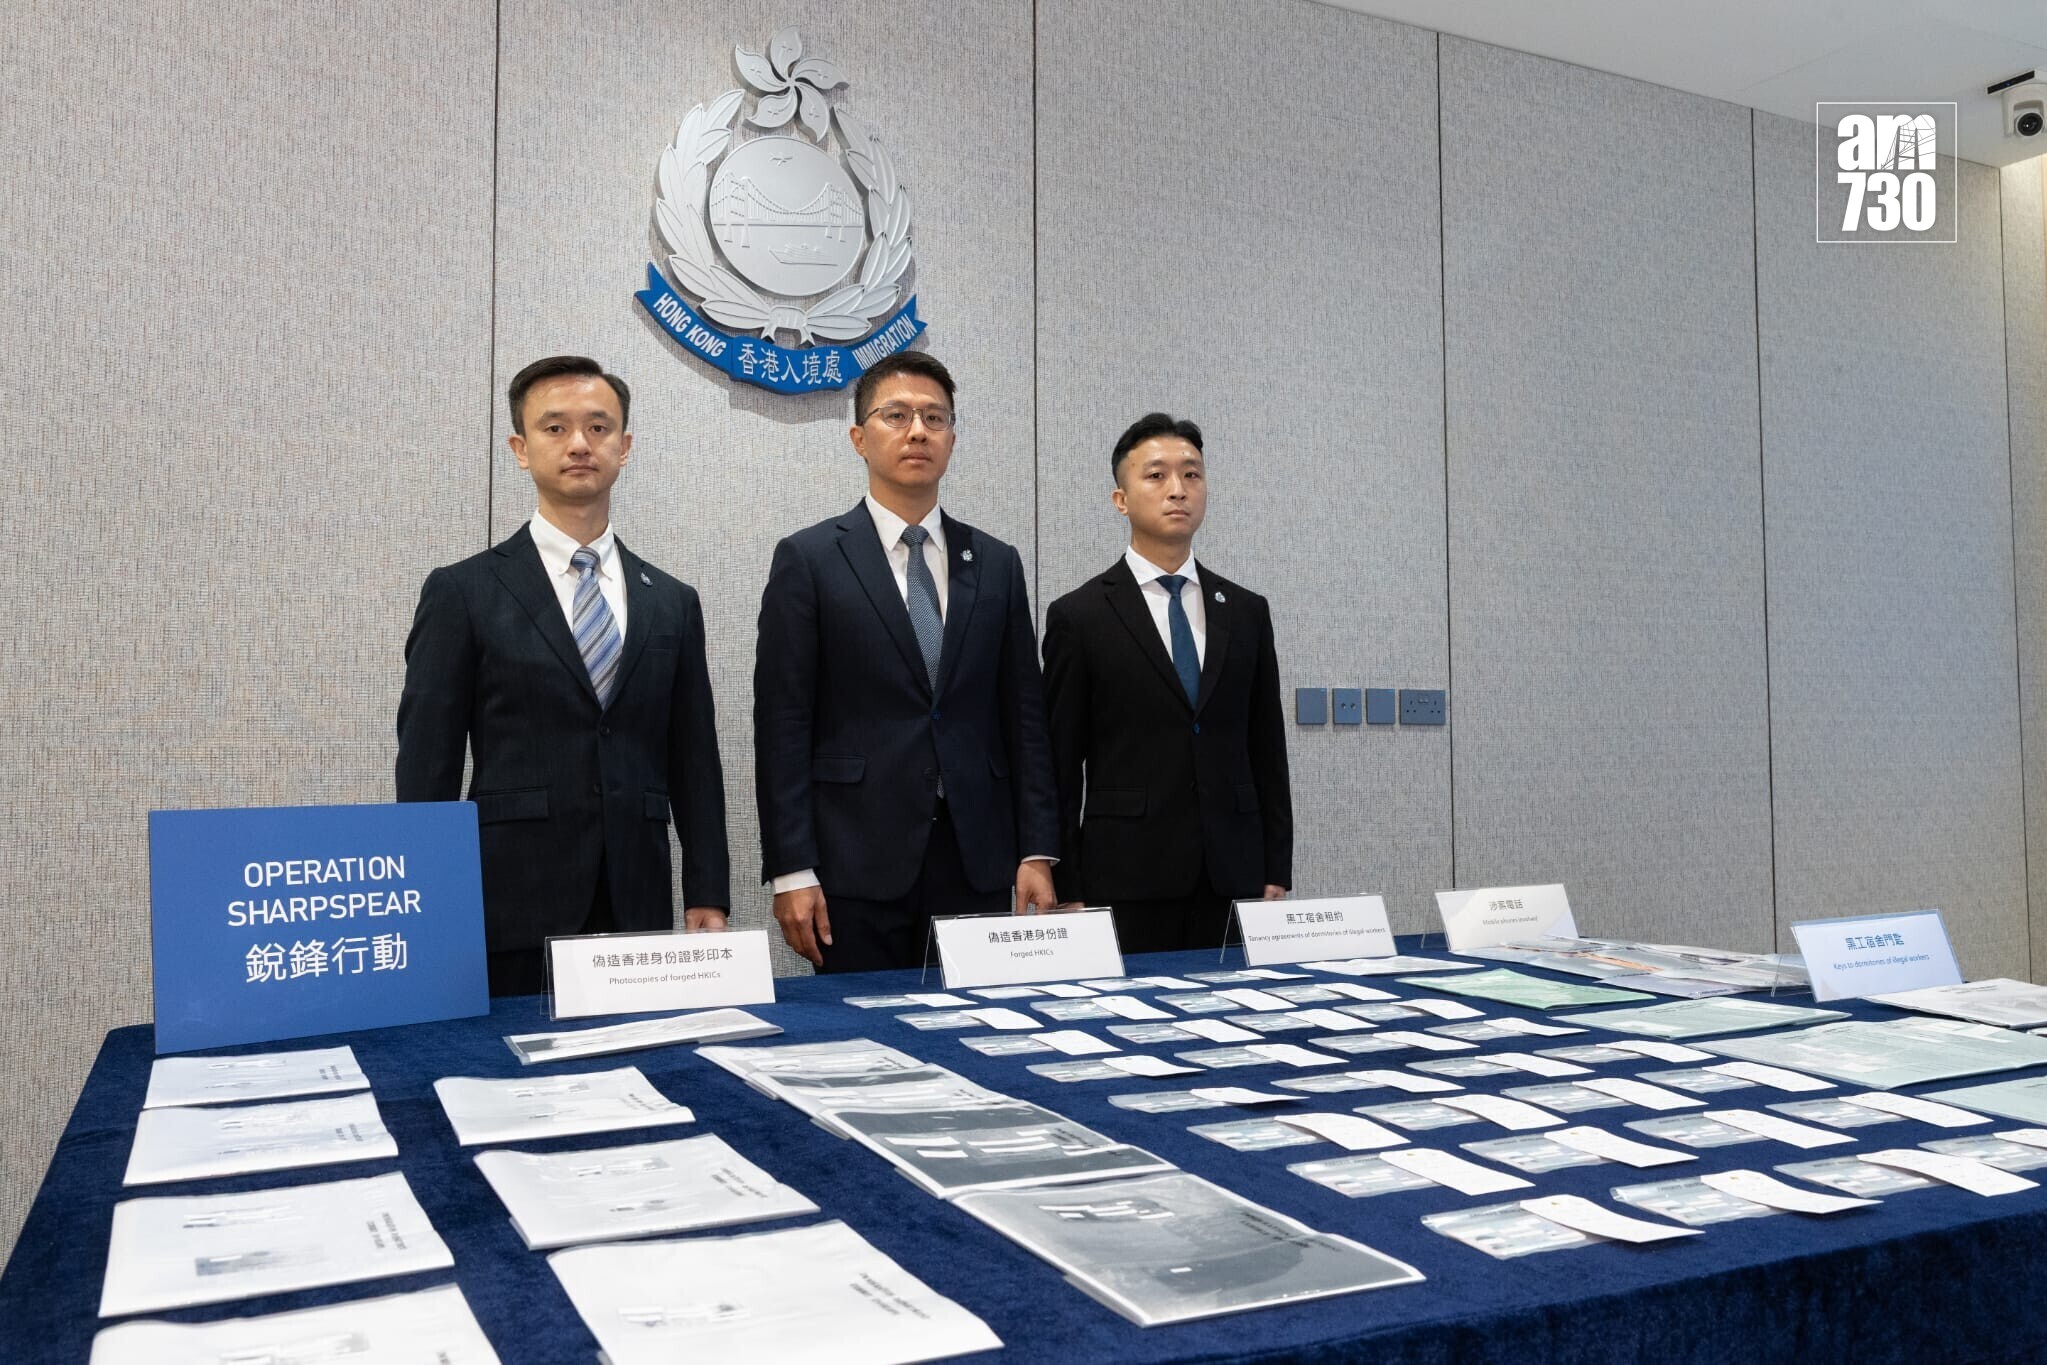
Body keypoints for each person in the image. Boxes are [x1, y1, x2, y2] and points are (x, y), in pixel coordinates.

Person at [396, 356, 729, 995]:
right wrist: (427, 898)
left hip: (636, 901)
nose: (580, 443)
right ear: (521, 449)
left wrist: (707, 889)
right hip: (510, 901)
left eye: (599, 427)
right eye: (555, 428)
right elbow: (426, 765)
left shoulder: (672, 601)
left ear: (624, 447)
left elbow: (695, 759)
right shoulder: (464, 592)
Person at [754, 351, 1059, 972]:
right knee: (859, 1025)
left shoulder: (996, 563)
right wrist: (792, 868)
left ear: (952, 438)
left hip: (977, 857)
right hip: (854, 859)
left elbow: (1024, 717)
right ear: (859, 438)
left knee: (980, 1020)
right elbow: (783, 724)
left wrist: (1037, 851)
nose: (918, 431)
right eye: (896, 415)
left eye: (934, 417)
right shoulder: (810, 559)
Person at [1041, 412, 1292, 952]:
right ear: (1121, 499)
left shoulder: (1246, 611)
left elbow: (1266, 748)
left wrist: (1276, 865)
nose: (1178, 489)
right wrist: (1067, 882)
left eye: (1192, 474)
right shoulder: (1079, 616)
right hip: (1125, 874)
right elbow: (1059, 763)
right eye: (1156, 475)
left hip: (1235, 873)